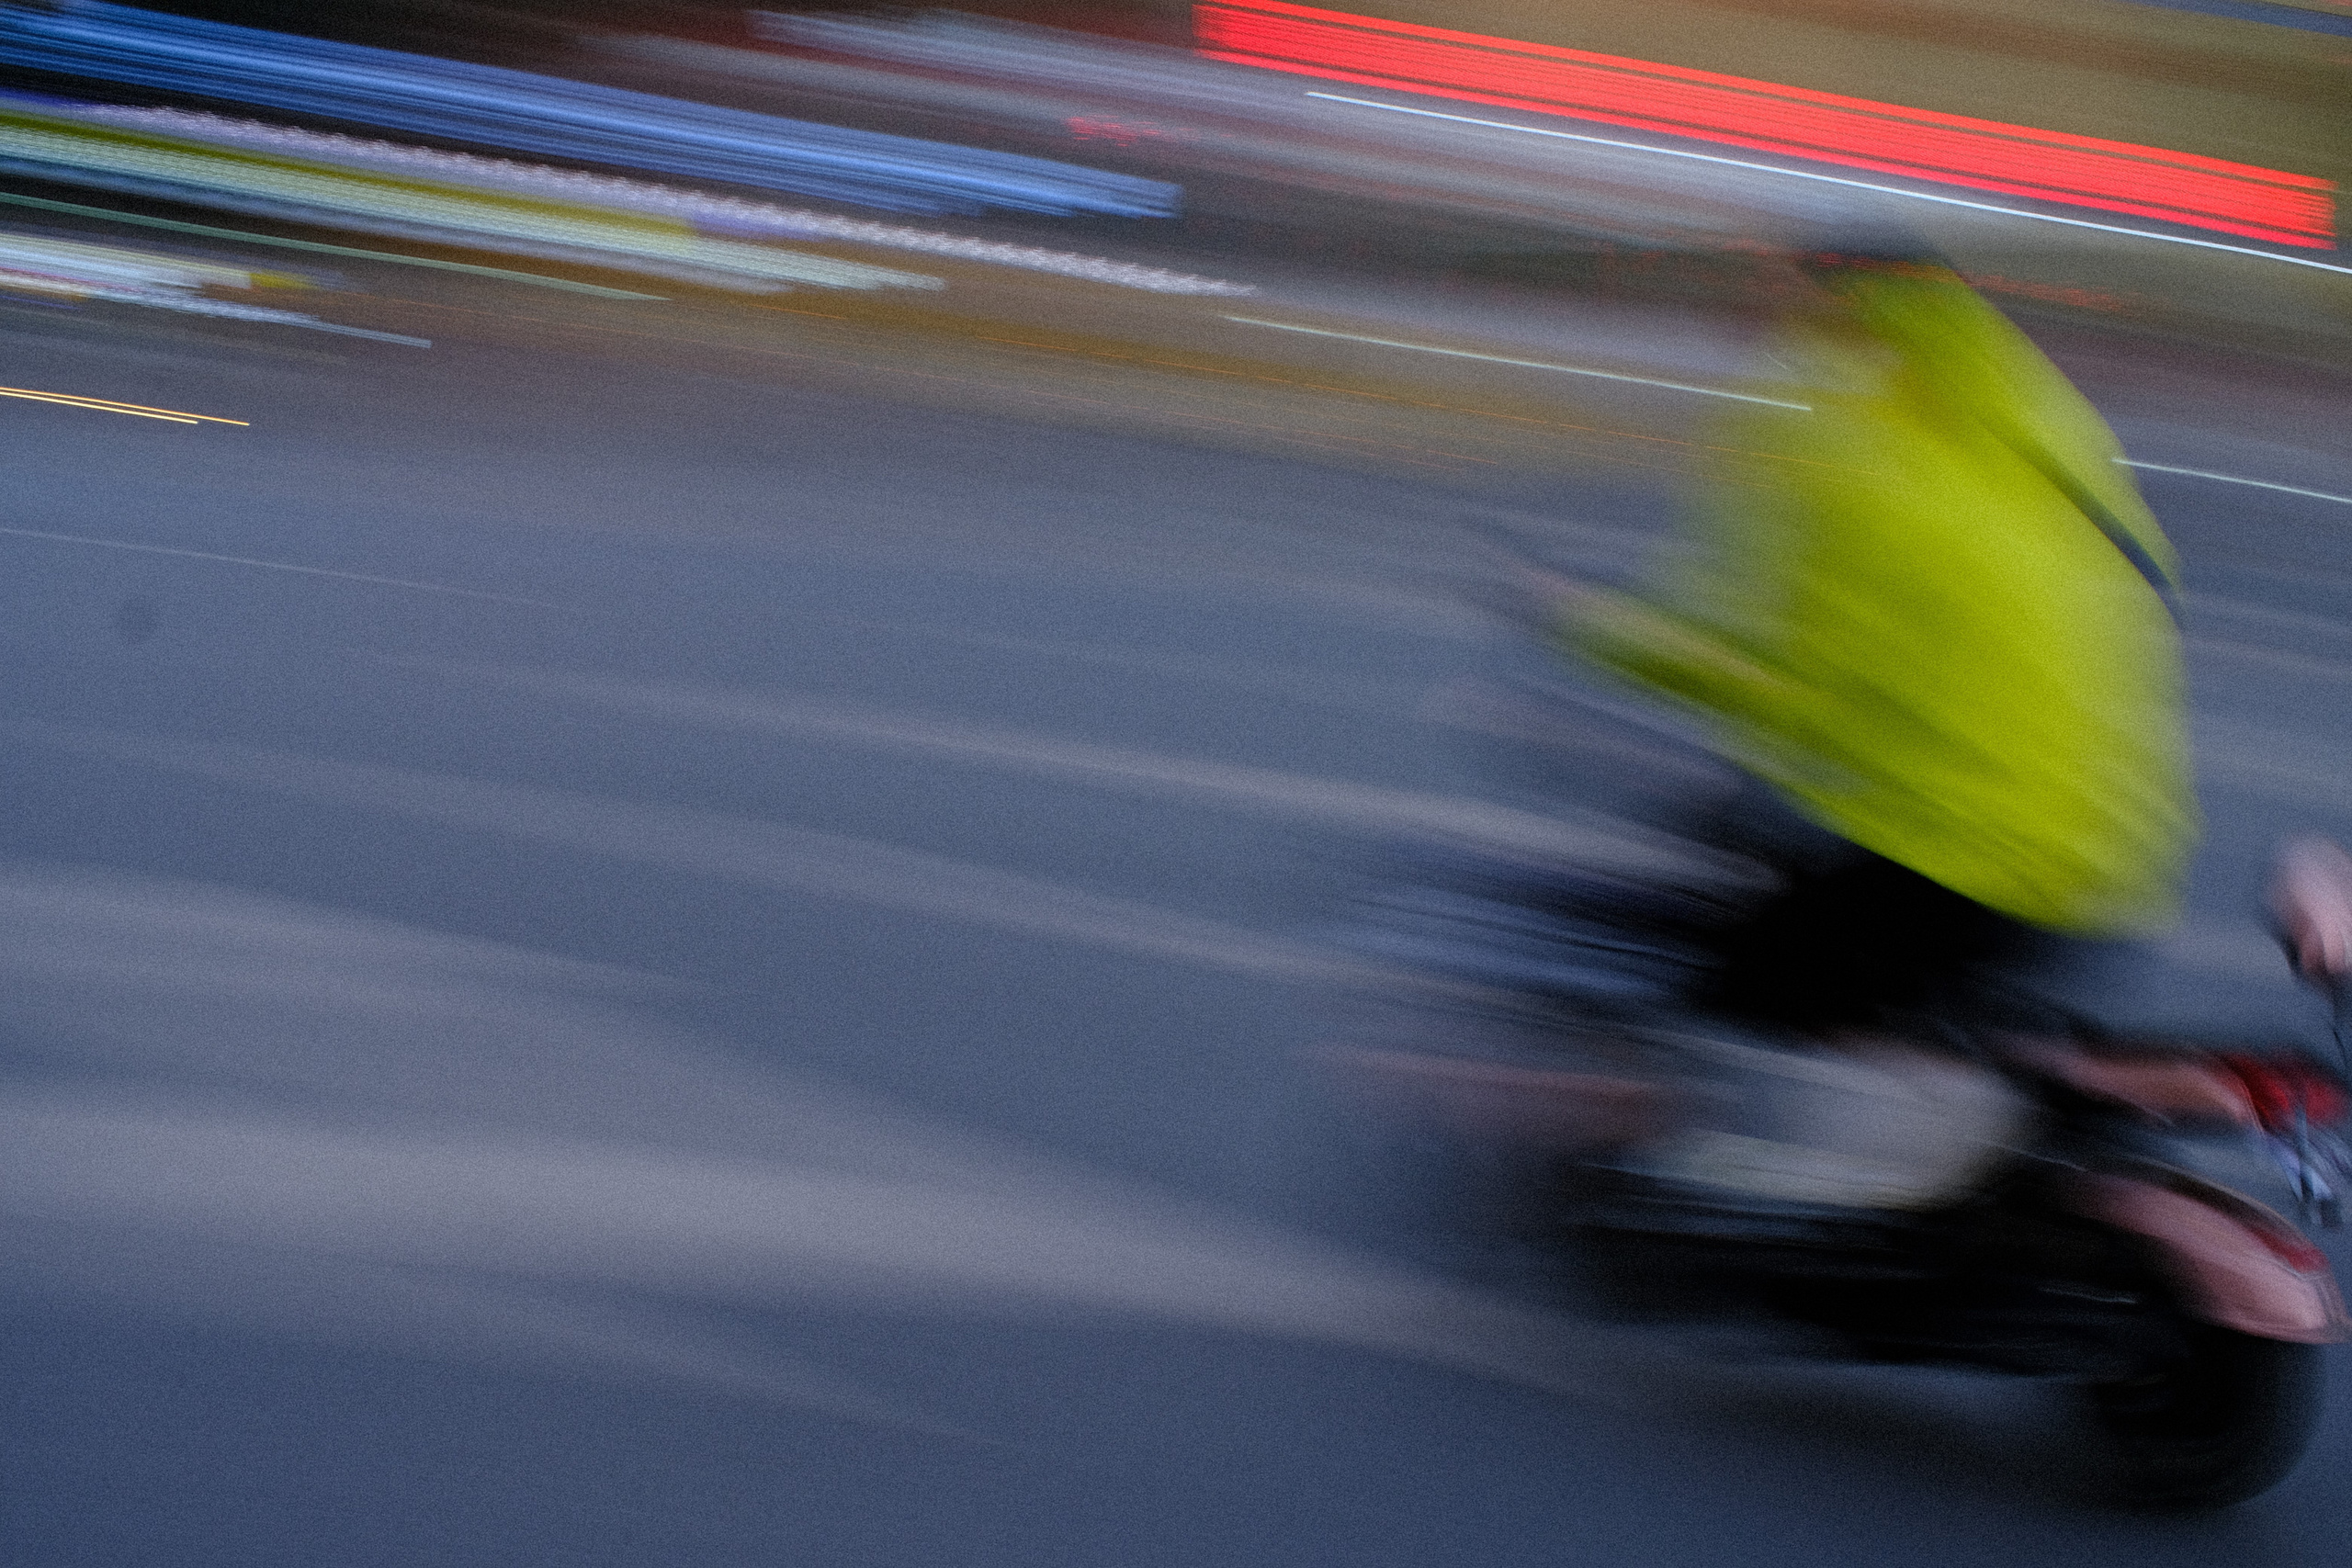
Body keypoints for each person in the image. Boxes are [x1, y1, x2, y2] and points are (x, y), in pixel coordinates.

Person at [1547, 237, 2196, 1043]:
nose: (1761, 311)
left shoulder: (1858, 464)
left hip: (1973, 863)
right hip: (2112, 851)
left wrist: (1588, 622)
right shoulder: (2040, 418)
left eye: (1781, 287)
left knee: (1723, 1009)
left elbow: (1772, 680)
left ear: (1841, 306)